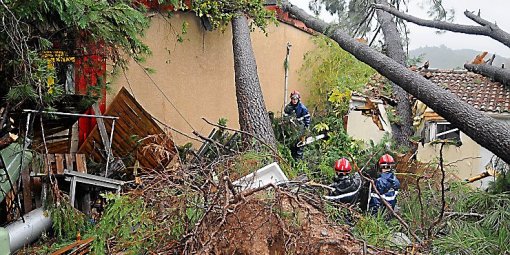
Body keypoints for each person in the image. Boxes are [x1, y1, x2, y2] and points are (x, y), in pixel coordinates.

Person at [284, 90, 310, 159]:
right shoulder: (288, 108)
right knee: (292, 145)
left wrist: (306, 129)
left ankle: (299, 160)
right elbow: (285, 117)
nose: (294, 100)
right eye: (293, 99)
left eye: (296, 99)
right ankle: (292, 158)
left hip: (300, 129)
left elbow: (307, 118)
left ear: (298, 99)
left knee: (300, 145)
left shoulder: (302, 108)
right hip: (291, 130)